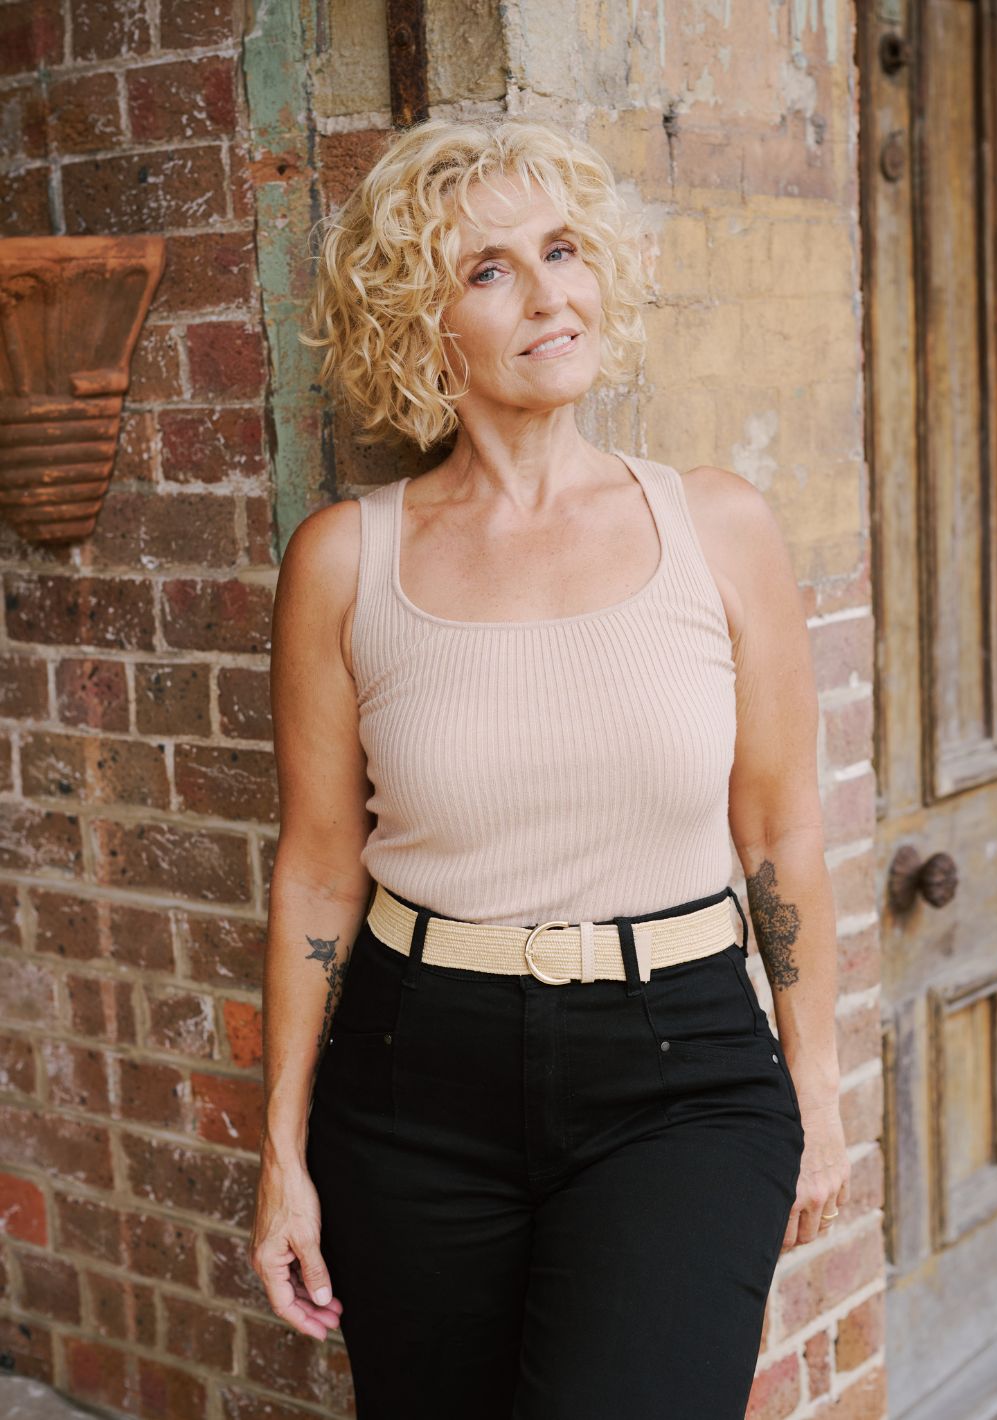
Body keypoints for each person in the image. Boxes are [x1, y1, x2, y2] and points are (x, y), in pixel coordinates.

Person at [248, 113, 849, 1419]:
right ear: (422, 322)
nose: (547, 293)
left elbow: (780, 832)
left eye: (562, 250)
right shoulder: (345, 561)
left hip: (679, 1070)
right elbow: (317, 870)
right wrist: (282, 1151)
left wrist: (816, 1081)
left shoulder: (715, 526)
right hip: (413, 1078)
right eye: (490, 269)